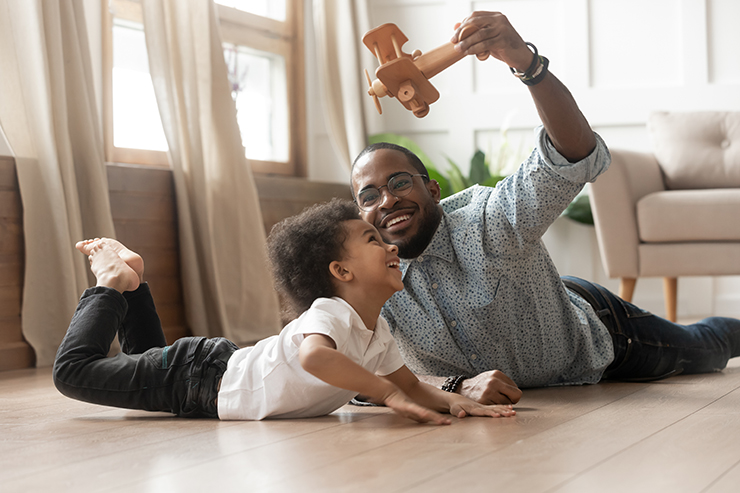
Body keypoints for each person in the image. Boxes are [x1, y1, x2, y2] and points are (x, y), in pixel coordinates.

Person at [350, 11, 740, 405]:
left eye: (399, 182)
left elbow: (574, 155)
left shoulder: (489, 222)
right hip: (534, 303)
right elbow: (354, 374)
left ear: (433, 190)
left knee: (706, 347)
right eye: (369, 196)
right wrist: (455, 386)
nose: (387, 200)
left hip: (591, 334)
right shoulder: (368, 276)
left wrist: (528, 65)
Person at [52, 199, 515, 423]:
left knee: (144, 360)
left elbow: (411, 384)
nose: (391, 245)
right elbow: (317, 358)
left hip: (208, 373)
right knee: (74, 373)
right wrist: (387, 396)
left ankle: (134, 285)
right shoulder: (329, 311)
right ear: (341, 271)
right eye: (374, 240)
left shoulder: (376, 331)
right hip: (200, 381)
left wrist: (456, 400)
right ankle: (113, 282)